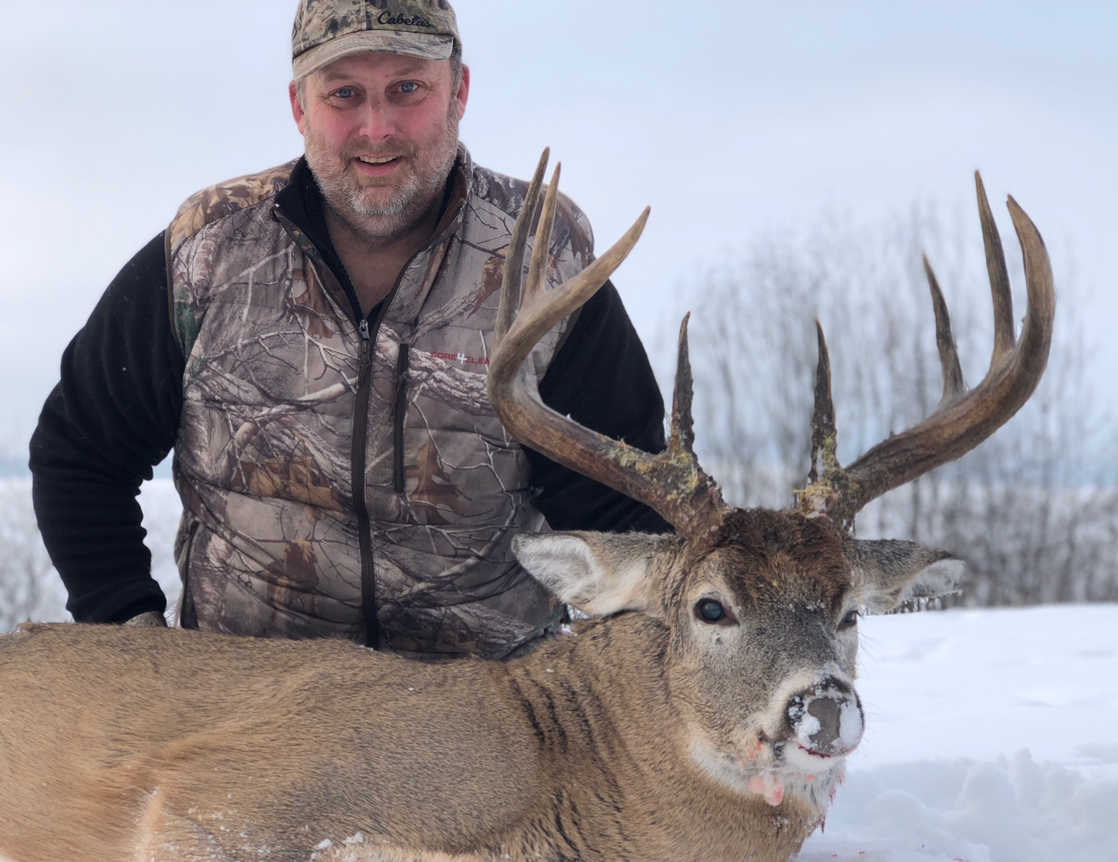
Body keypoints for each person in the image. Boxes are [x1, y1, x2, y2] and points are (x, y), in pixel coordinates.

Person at [29, 0, 668, 660]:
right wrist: (134, 638)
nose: (377, 127)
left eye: (408, 89)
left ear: (459, 92)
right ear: (300, 107)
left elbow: (627, 509)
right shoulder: (210, 250)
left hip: (483, 715)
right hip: (248, 710)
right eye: (344, 95)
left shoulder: (542, 260)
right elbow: (80, 455)